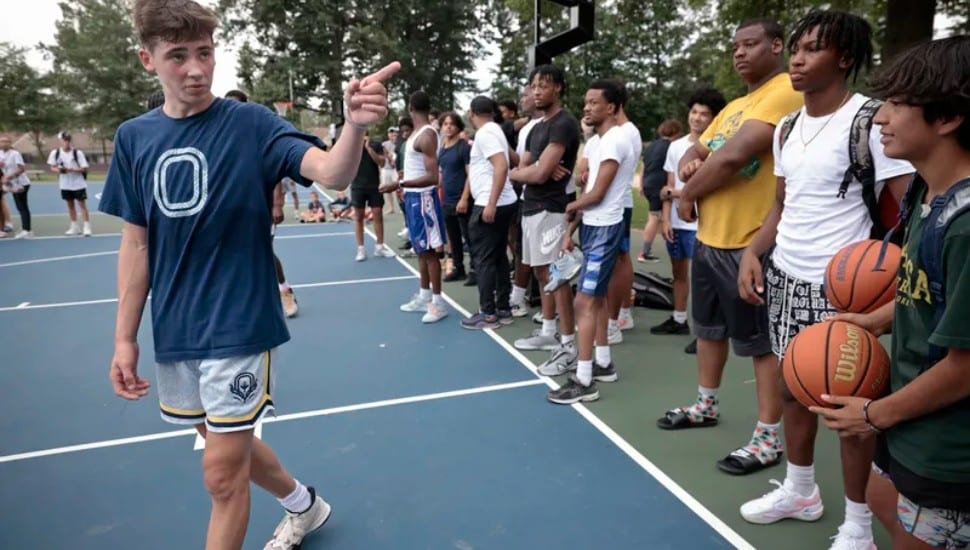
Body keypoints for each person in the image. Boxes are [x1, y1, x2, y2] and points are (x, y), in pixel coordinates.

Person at [100, 2, 397, 548]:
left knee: (220, 476)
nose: (196, 68)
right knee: (218, 442)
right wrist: (123, 338)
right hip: (176, 329)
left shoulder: (251, 123)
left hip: (240, 320)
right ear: (148, 60)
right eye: (178, 56)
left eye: (205, 53)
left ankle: (297, 510)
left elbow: (330, 172)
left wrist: (353, 127)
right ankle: (304, 505)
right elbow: (136, 242)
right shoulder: (134, 139)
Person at [734, 11, 915, 549]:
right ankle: (801, 490)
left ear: (845, 58)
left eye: (813, 49)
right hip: (786, 275)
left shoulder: (870, 122)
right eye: (795, 47)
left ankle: (858, 525)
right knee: (794, 390)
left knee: (848, 409)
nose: (797, 57)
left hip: (844, 288)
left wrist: (891, 285)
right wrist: (754, 251)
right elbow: (783, 205)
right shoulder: (788, 126)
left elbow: (908, 211)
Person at [812, 35, 970, 550]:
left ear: (946, 119)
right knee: (879, 498)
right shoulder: (927, 192)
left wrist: (872, 415)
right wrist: (872, 322)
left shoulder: (966, 226)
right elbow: (924, 292)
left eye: (898, 104)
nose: (880, 118)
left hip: (947, 447)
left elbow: (964, 367)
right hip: (910, 421)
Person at [656, 18, 804, 479]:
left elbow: (733, 156)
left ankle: (767, 438)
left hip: (750, 243)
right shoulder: (736, 104)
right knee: (710, 330)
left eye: (750, 44)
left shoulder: (784, 92)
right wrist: (692, 166)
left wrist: (686, 194)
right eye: (735, 45)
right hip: (709, 239)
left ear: (776, 46)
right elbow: (696, 150)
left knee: (760, 344)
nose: (739, 53)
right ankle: (706, 404)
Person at [547, 80, 634, 403]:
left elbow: (597, 194)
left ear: (611, 107)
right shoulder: (598, 143)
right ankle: (603, 363)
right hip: (593, 226)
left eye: (594, 102)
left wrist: (570, 206)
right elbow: (590, 192)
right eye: (585, 102)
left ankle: (584, 381)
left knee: (583, 302)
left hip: (607, 227)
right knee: (591, 301)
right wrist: (571, 232)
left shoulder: (615, 141)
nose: (587, 107)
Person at [509, 65, 581, 374]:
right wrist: (534, 169)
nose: (537, 90)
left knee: (557, 276)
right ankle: (549, 333)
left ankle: (569, 347)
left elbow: (535, 173)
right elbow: (518, 172)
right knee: (541, 273)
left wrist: (536, 170)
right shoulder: (537, 128)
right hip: (531, 206)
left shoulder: (563, 125)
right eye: (533, 85)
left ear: (559, 89)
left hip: (551, 209)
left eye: (544, 85)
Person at [652, 88, 727, 342]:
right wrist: (666, 218)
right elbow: (668, 186)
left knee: (704, 279)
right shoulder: (675, 147)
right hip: (677, 222)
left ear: (713, 118)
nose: (696, 118)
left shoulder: (718, 145)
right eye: (694, 112)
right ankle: (679, 319)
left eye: (704, 114)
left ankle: (706, 329)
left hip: (703, 224)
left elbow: (680, 188)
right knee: (679, 274)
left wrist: (673, 192)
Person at [223, 90, 299, 318]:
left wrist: (277, 204)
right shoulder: (222, 138)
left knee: (264, 250)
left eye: (235, 105)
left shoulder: (256, 136)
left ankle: (285, 291)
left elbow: (273, 172)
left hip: (260, 207)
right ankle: (248, 298)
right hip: (233, 207)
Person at [389, 91, 449, 323]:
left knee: (430, 252)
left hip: (423, 199)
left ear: (410, 107)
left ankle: (438, 302)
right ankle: (425, 295)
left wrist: (400, 182)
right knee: (420, 250)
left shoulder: (426, 135)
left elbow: (433, 177)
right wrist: (405, 181)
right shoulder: (415, 134)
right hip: (413, 198)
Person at [460, 97, 519, 329]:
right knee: (498, 257)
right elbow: (512, 159)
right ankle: (502, 307)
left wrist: (491, 203)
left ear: (472, 112)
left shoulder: (485, 134)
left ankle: (488, 313)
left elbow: (502, 166)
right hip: (504, 201)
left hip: (490, 202)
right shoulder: (497, 130)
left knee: (483, 259)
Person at [638, 120, 682, 262]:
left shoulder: (651, 146)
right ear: (675, 132)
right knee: (654, 217)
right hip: (659, 185)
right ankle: (644, 252)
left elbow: (643, 167)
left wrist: (641, 185)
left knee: (663, 216)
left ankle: (669, 244)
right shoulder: (672, 147)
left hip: (648, 183)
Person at [438, 112, 473, 282]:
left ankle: (475, 271)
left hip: (462, 199)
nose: (448, 127)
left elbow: (470, 175)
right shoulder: (442, 147)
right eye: (445, 124)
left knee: (469, 237)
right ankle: (459, 268)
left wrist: (465, 198)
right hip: (447, 200)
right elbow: (442, 174)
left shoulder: (464, 147)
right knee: (453, 238)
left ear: (458, 127)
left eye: (451, 124)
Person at [351, 131, 395, 261]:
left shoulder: (375, 144)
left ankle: (380, 247)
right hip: (357, 185)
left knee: (378, 215)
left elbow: (381, 163)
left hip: (374, 185)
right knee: (358, 217)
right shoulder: (352, 145)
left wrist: (368, 148)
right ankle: (361, 249)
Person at [48, 131, 91, 236]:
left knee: (82, 205)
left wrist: (73, 170)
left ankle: (87, 226)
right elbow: (52, 167)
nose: (66, 142)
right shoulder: (55, 153)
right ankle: (74, 226)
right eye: (64, 140)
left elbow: (85, 168)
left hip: (78, 183)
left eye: (68, 140)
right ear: (60, 141)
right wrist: (60, 170)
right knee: (70, 205)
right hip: (65, 184)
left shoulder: (77, 153)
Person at [0, 136, 32, 239]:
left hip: (20, 183)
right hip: (10, 184)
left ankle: (27, 230)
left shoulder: (15, 154)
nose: (4, 143)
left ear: (10, 143)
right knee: (17, 206)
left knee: (22, 206)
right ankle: (5, 228)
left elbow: (21, 168)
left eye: (6, 141)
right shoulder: (0, 154)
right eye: (1, 142)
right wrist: (4, 179)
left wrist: (9, 176)